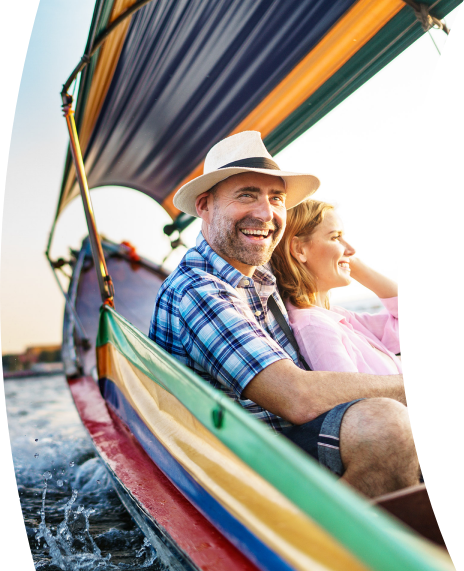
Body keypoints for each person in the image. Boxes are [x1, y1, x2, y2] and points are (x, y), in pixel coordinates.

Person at [150, 130, 418, 498]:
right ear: (204, 206)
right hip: (238, 469)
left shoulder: (260, 277)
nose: (266, 213)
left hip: (284, 442)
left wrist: (346, 255)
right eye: (247, 195)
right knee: (385, 427)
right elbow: (297, 396)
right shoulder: (199, 290)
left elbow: (319, 265)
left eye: (276, 198)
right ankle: (332, 551)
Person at [270, 199, 402, 375]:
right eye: (335, 237)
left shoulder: (339, 318)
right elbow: (355, 397)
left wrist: (355, 266)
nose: (351, 249)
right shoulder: (314, 325)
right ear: (299, 249)